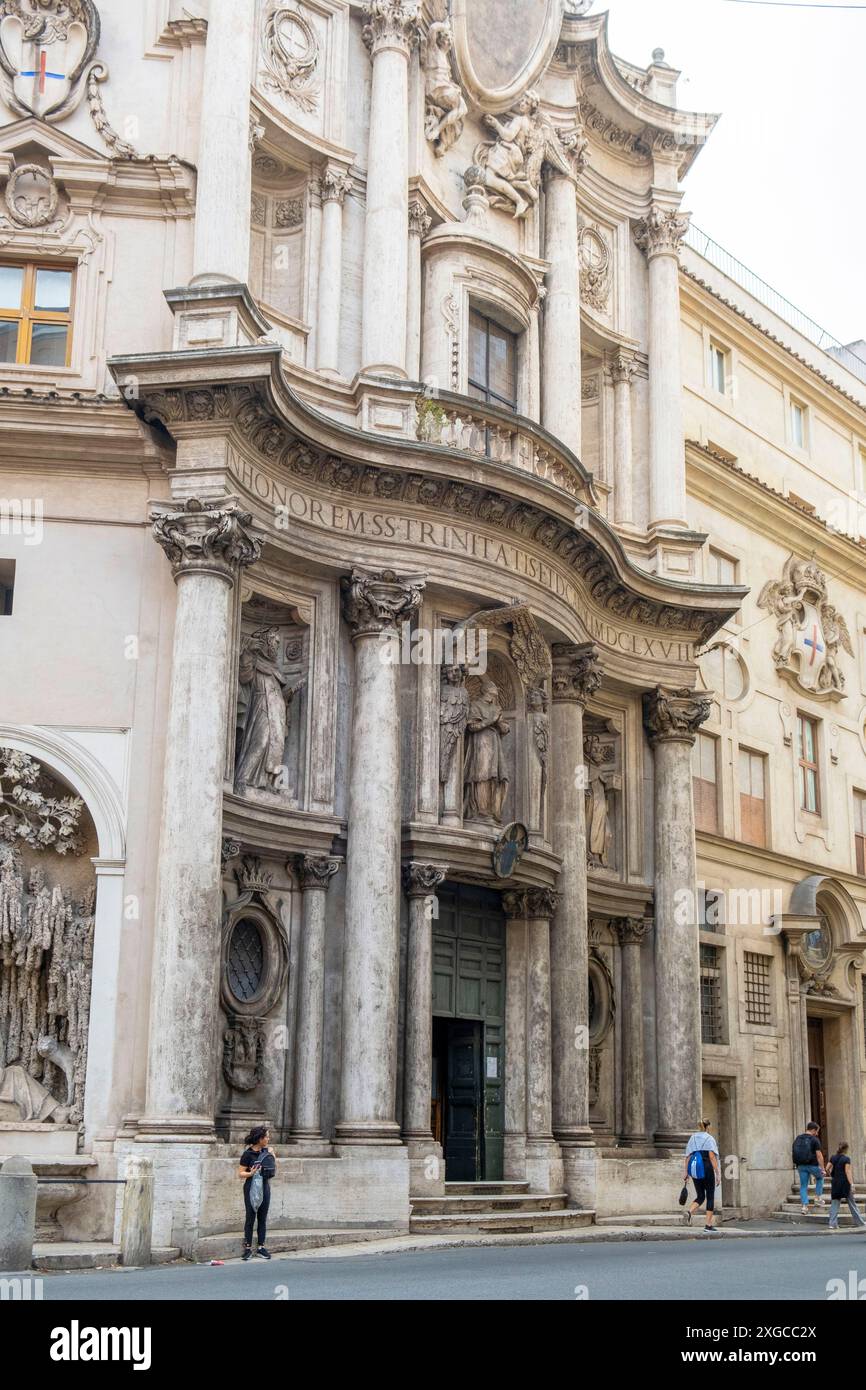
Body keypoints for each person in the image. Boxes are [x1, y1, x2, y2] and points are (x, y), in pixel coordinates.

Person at [238, 1124, 276, 1260]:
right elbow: (240, 1173)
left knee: (262, 1217)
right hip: (251, 1187)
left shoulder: (267, 1151)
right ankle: (247, 1248)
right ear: (260, 1139)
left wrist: (272, 1154)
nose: (268, 1139)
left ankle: (261, 1247)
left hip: (264, 1186)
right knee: (250, 1217)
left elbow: (273, 1168)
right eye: (266, 1136)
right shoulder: (248, 1154)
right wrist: (251, 1173)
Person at [683, 1120, 722, 1235]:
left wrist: (686, 1172)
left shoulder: (693, 1138)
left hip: (695, 1168)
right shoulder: (709, 1138)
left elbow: (688, 1156)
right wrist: (718, 1173)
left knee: (700, 1196)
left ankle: (690, 1211)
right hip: (707, 1168)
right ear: (707, 1126)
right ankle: (708, 1225)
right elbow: (712, 1157)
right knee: (710, 1196)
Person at [826, 1142, 866, 1230]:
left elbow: (827, 1168)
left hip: (835, 1182)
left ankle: (832, 1224)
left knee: (835, 1203)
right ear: (846, 1149)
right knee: (852, 1203)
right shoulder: (846, 1159)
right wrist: (852, 1184)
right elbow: (848, 1172)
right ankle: (860, 1222)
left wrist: (832, 1175)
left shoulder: (833, 1157)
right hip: (844, 1183)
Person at [792, 1121, 826, 1215]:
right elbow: (819, 1156)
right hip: (812, 1165)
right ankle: (818, 1198)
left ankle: (804, 1207)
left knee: (803, 1186)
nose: (817, 1133)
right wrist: (823, 1169)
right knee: (820, 1177)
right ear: (813, 1130)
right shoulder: (814, 1140)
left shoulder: (798, 1138)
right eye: (817, 1131)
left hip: (801, 1166)